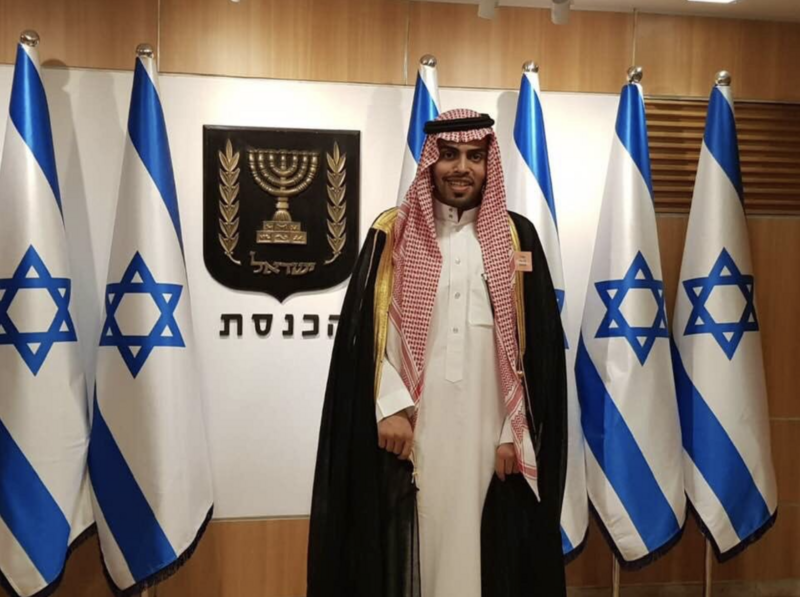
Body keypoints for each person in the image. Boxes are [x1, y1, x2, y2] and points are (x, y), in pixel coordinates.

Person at [308, 109, 568, 597]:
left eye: (474, 156)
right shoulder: (393, 233)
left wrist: (513, 433)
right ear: (430, 162)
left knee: (485, 555)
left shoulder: (517, 237)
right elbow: (365, 336)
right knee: (407, 551)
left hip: (488, 433)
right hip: (412, 431)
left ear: (490, 164)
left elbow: (537, 355)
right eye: (448, 155)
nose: (460, 167)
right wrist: (387, 408)